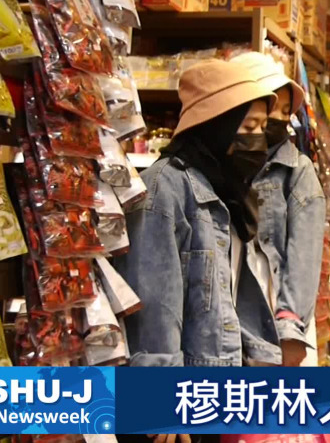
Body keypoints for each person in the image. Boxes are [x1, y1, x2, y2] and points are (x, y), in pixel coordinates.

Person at [117, 59, 280, 367]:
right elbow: (153, 322)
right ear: (216, 127)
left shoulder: (230, 193)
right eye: (248, 127)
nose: (259, 140)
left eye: (262, 127)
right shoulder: (163, 192)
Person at [233, 52, 326, 368]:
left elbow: (304, 257)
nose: (277, 119)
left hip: (272, 314)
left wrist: (290, 326)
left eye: (286, 112)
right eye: (272, 106)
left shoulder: (296, 171)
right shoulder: (222, 165)